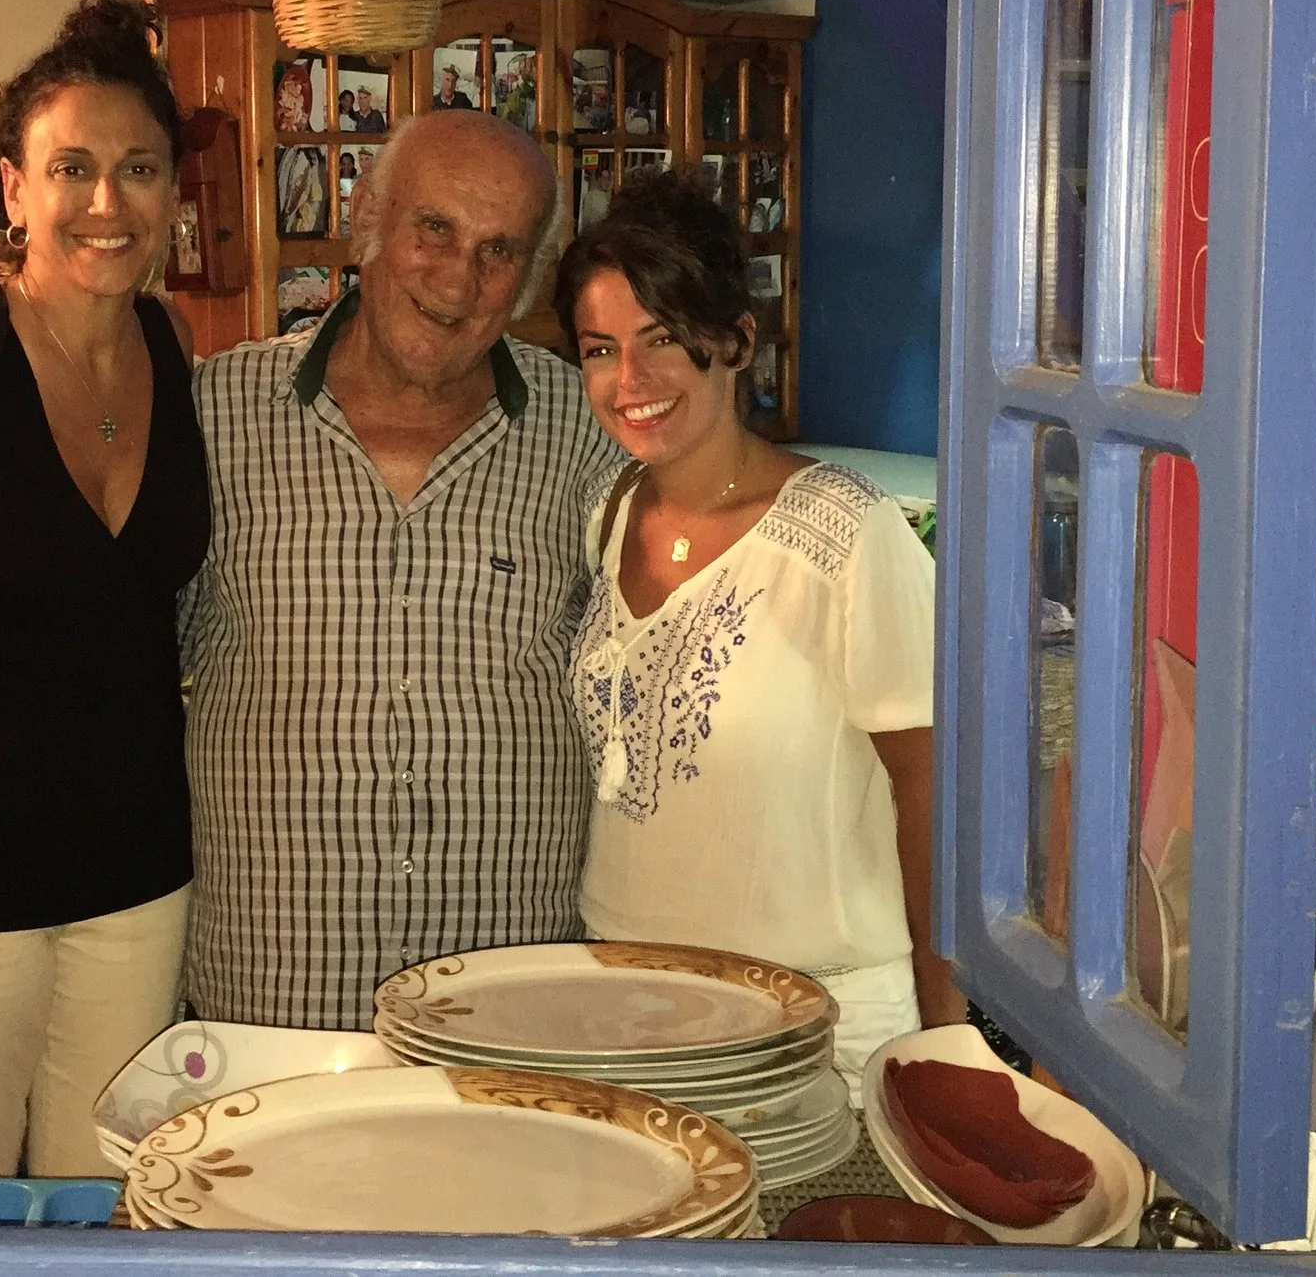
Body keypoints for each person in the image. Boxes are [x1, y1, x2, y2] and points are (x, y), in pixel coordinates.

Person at [183, 110, 624, 1029]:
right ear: (365, 221)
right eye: (435, 229)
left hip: (514, 1007)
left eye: (500, 250)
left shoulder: (588, 430)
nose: (460, 279)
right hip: (274, 1007)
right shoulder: (215, 415)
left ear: (535, 273)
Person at [552, 168, 961, 1104]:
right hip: (625, 1011)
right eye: (599, 348)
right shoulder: (609, 511)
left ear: (737, 340)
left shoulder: (845, 534)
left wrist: (946, 1041)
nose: (631, 380)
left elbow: (932, 792)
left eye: (662, 339)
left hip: (810, 1038)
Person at [0, 0, 209, 1176]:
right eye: (69, 167)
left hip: (138, 867)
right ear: (14, 192)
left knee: (109, 1189)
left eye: (137, 168)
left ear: (172, 192)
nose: (105, 202)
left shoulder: (176, 350)